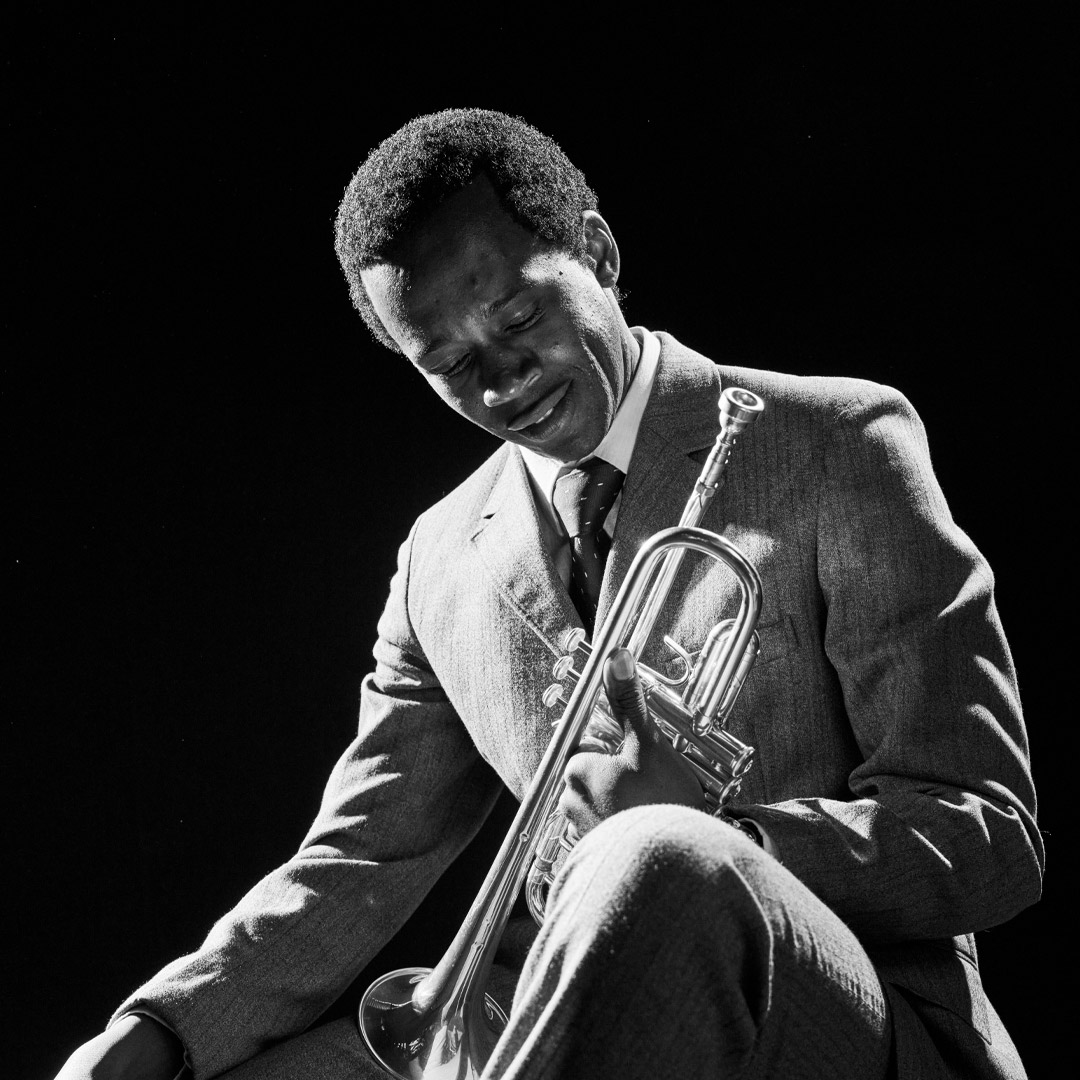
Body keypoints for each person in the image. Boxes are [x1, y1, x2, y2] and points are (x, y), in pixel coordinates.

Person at [56, 109, 1042, 1079]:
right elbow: (359, 863)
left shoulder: (838, 443)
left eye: (520, 316)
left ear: (600, 255)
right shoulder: (440, 559)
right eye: (447, 364)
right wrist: (161, 1031)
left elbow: (988, 837)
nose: (500, 382)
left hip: (845, 1020)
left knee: (658, 854)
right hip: (562, 1021)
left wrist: (723, 838)